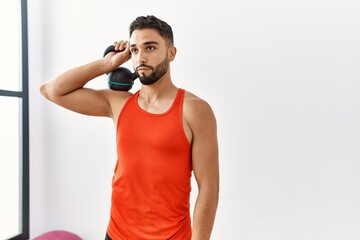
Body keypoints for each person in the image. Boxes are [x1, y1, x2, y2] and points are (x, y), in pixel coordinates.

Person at [40, 15, 219, 240]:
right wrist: (108, 64)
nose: (141, 57)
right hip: (117, 234)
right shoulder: (118, 103)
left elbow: (209, 188)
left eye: (150, 47)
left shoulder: (194, 110)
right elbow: (51, 90)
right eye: (134, 50)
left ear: (171, 53)